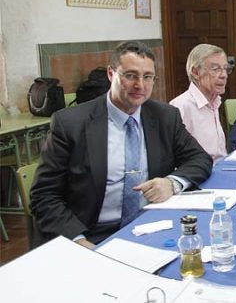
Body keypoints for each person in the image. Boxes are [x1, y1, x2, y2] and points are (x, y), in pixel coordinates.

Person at [30, 41, 212, 248]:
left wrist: (171, 183)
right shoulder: (71, 123)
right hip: (91, 233)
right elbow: (44, 195)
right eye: (130, 75)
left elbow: (199, 159)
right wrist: (78, 240)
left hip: (150, 226)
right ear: (111, 74)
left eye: (147, 77)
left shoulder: (164, 116)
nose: (140, 85)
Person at [170, 44, 230, 163]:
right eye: (215, 69)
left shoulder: (215, 102)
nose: (223, 75)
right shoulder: (181, 106)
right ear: (196, 72)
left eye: (225, 69)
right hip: (199, 176)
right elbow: (174, 157)